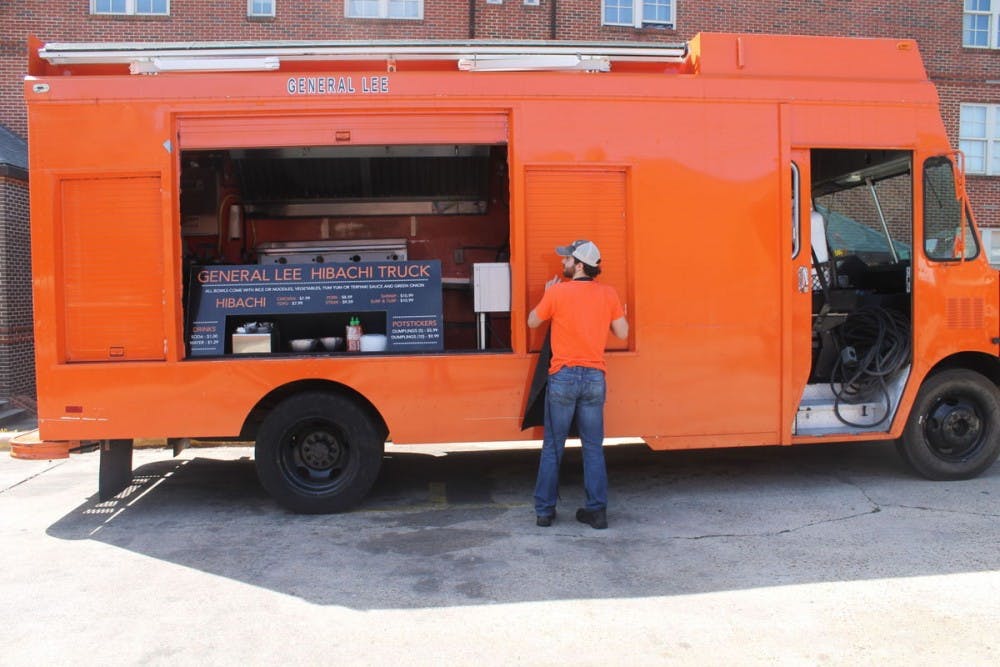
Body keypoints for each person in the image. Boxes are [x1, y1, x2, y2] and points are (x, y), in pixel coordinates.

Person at [527, 239, 628, 529]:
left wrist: (546, 296)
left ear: (580, 265)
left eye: (567, 259)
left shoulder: (557, 292)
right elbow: (622, 332)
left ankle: (545, 512)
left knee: (553, 447)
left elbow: (533, 322)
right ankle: (596, 512)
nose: (563, 263)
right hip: (594, 377)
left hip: (563, 376)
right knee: (593, 447)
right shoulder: (608, 294)